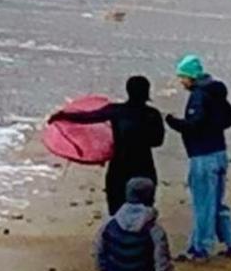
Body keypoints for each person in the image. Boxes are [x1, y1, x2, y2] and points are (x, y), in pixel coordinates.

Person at [50, 73, 168, 213]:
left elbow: (88, 117)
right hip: (144, 167)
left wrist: (63, 116)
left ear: (127, 91)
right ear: (147, 92)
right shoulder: (153, 114)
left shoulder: (116, 110)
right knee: (145, 210)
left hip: (119, 167)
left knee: (116, 210)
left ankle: (117, 234)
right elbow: (158, 142)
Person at [172, 55, 231, 261]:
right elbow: (229, 118)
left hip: (203, 156)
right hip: (219, 152)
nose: (181, 81)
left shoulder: (199, 96)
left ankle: (200, 249)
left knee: (203, 204)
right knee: (217, 202)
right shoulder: (216, 93)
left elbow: (194, 125)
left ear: (191, 76)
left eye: (182, 76)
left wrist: (173, 122)